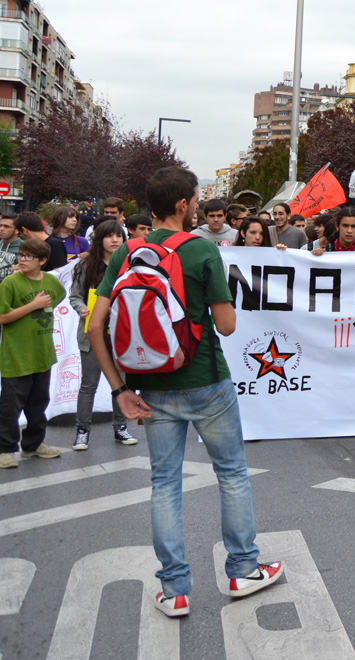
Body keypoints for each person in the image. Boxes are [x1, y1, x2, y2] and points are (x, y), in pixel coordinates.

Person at [86, 166, 283, 617]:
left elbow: (96, 326)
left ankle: (174, 589)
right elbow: (228, 326)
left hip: (149, 389)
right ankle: (242, 570)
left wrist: (119, 390)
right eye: (197, 199)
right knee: (231, 474)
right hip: (206, 383)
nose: (199, 205)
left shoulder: (126, 253)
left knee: (164, 484)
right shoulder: (201, 252)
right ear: (183, 205)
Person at [0, 238, 66, 468]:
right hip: (16, 355)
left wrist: (42, 307)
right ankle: (6, 449)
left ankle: (34, 445)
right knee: (10, 405)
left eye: (29, 256)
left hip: (42, 353)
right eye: (21, 255)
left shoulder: (50, 281)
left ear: (43, 261)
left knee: (38, 403)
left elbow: (59, 296)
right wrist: (33, 306)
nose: (23, 259)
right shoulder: (10, 283)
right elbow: (2, 317)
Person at [68, 220, 134, 449]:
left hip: (121, 334)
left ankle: (121, 428)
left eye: (119, 236)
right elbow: (75, 296)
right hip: (92, 334)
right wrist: (82, 309)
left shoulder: (130, 264)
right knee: (89, 385)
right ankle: (82, 431)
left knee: (122, 384)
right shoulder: (87, 265)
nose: (115, 240)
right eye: (109, 236)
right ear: (99, 239)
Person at [0, 215, 21, 282]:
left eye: (6, 226)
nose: (1, 229)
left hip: (9, 287)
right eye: (0, 225)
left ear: (17, 230)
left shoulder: (24, 248)